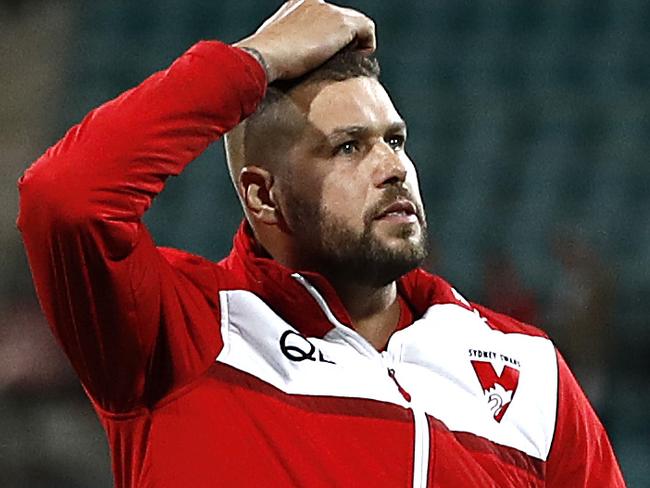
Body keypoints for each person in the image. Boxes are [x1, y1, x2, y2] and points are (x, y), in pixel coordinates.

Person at [18, 1, 624, 486]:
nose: (394, 168)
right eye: (349, 147)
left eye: (396, 139)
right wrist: (252, 61)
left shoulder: (527, 367)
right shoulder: (179, 331)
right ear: (263, 197)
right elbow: (65, 196)